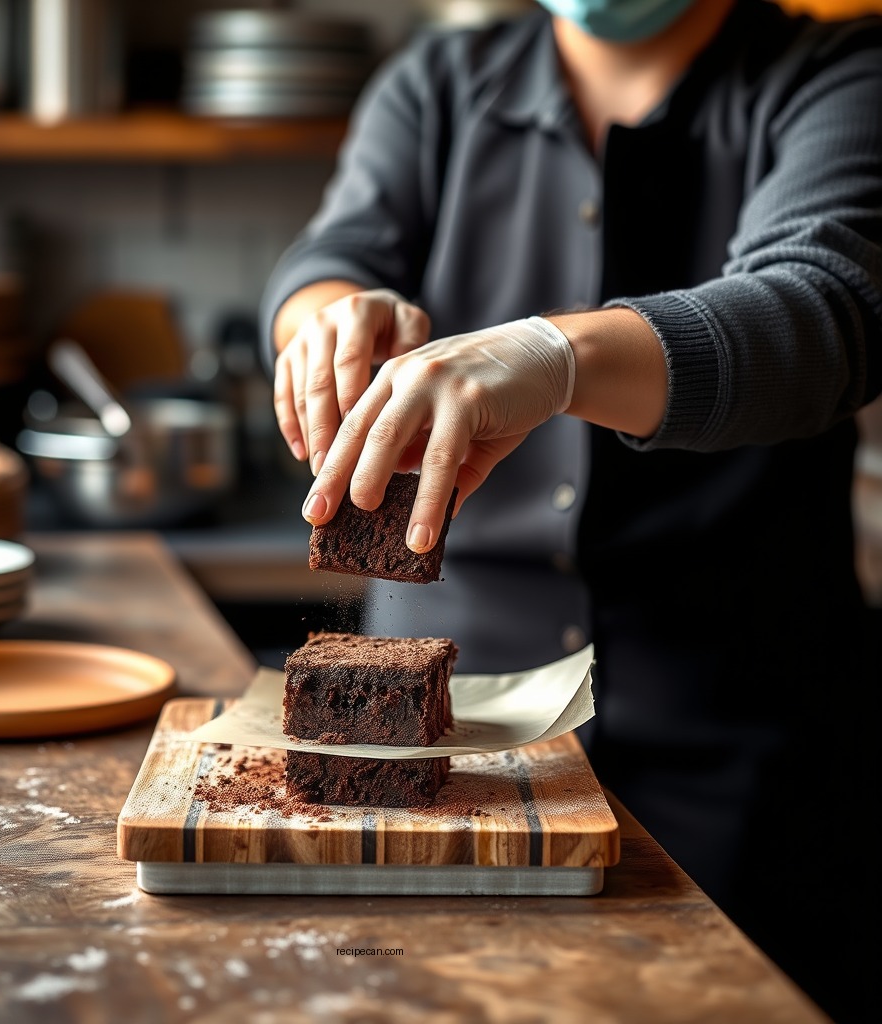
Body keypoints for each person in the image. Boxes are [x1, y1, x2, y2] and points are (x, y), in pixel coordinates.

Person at [259, 1, 882, 1019]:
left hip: (746, 739)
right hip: (439, 742)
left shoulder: (836, 71)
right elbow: (332, 255)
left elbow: (826, 310)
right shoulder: (437, 83)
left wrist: (556, 355)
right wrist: (328, 316)